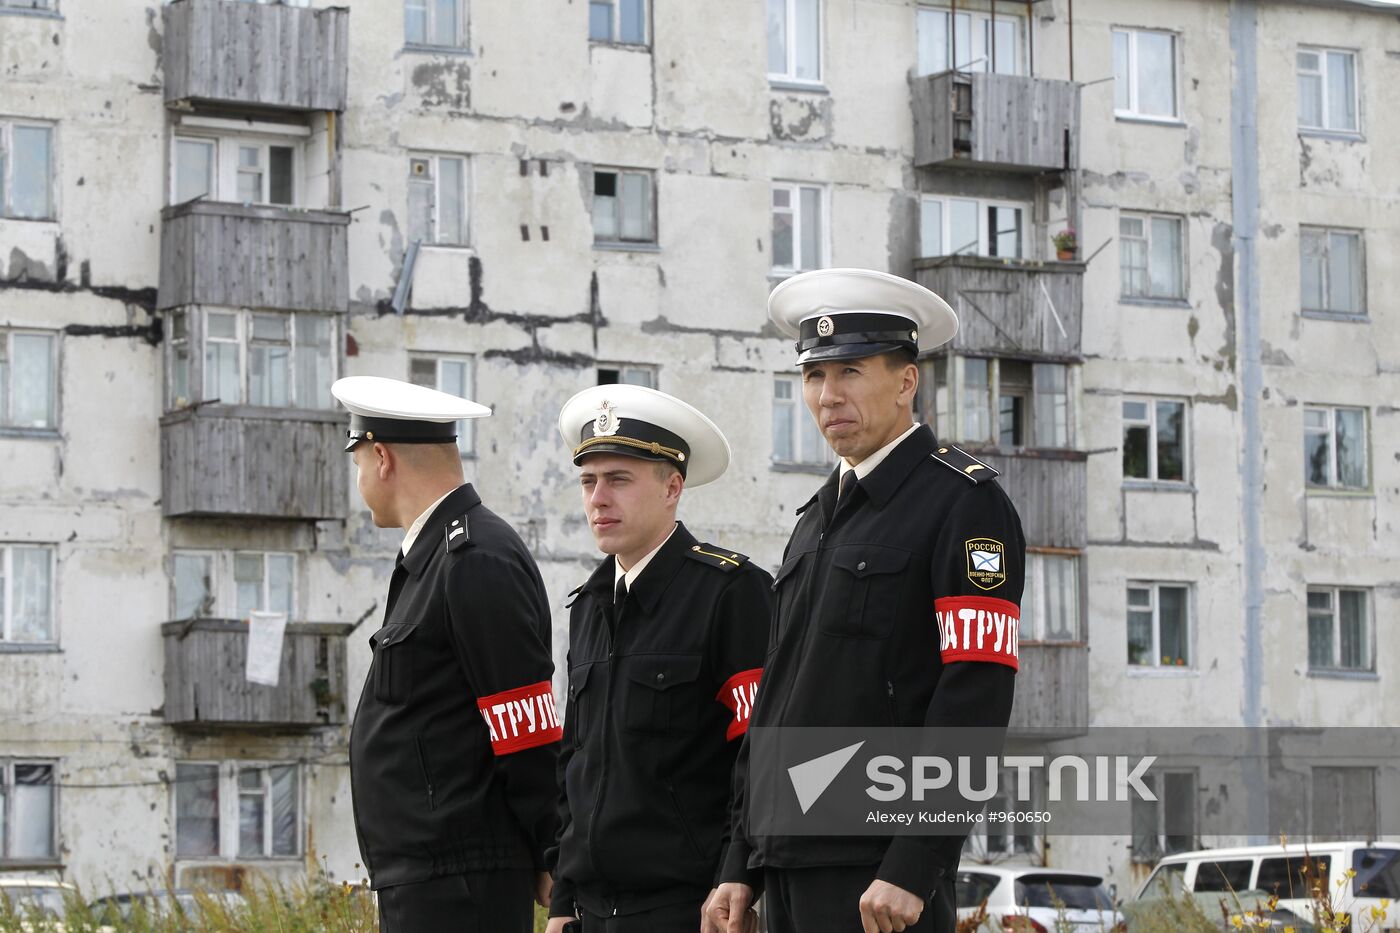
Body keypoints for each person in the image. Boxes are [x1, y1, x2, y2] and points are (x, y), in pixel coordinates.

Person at [707, 269, 1026, 933]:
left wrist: (916, 859)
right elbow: (776, 701)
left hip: (877, 875)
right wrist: (740, 856)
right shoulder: (815, 519)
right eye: (814, 376)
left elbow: (974, 696)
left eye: (849, 371)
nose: (828, 396)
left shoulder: (964, 504)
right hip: (787, 864)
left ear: (906, 380)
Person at [333, 375, 561, 933]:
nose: (360, 479)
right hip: (430, 878)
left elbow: (525, 728)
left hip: (461, 884)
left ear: (381, 457)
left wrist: (557, 860)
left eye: (359, 462)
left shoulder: (473, 557)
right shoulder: (435, 557)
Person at [547, 384, 771, 933]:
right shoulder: (590, 606)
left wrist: (738, 875)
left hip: (689, 909)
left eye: (618, 479)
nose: (598, 498)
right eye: (588, 481)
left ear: (673, 487)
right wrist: (561, 900)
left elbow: (761, 756)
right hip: (592, 913)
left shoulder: (731, 592)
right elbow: (576, 763)